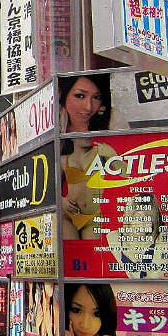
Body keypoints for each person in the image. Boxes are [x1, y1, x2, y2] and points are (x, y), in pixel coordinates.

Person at [59, 74, 117, 239]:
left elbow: (128, 174)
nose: (88, 106)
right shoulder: (61, 148)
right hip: (67, 215)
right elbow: (46, 188)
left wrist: (113, 156)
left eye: (96, 97)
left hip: (95, 217)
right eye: (80, 96)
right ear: (63, 96)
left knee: (92, 258)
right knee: (70, 255)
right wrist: (60, 200)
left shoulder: (105, 140)